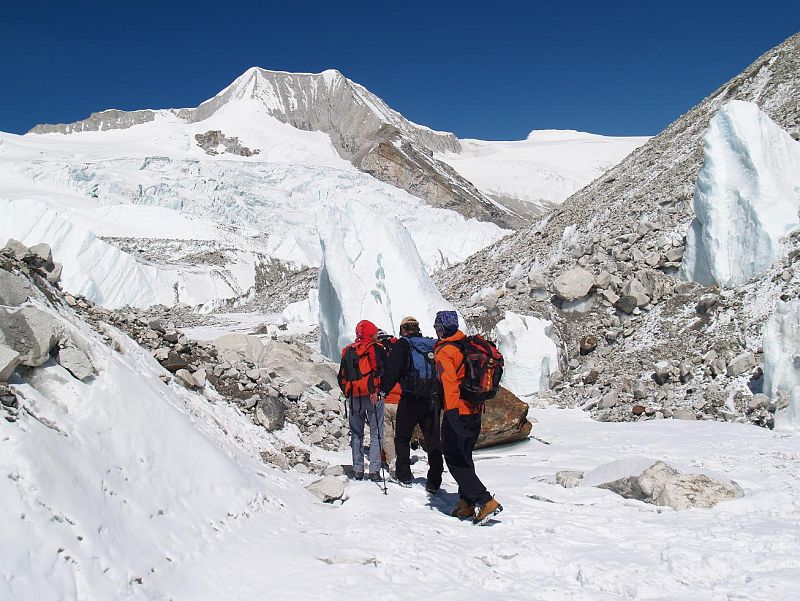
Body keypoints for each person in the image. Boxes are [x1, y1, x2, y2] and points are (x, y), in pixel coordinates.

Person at [433, 310, 502, 523]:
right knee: (465, 458)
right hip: (475, 411)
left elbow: (450, 384)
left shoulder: (445, 351)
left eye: (437, 327)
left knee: (454, 459)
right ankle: (466, 503)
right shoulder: (466, 345)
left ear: (441, 329)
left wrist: (451, 413)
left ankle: (485, 500)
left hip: (459, 411)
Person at [381, 316, 443, 492]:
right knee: (433, 440)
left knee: (402, 437)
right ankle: (434, 481)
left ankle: (404, 476)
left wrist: (383, 391)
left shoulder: (403, 344)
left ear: (403, 329)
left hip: (410, 398)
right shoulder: (431, 344)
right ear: (417, 328)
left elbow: (393, 370)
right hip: (431, 399)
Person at [337, 319, 386, 482]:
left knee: (357, 434)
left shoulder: (349, 351)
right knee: (376, 432)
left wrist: (348, 392)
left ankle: (358, 469)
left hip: (355, 397)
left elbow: (341, 375)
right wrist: (380, 391)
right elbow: (383, 371)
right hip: (373, 396)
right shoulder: (376, 348)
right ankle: (374, 470)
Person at [376, 329, 401, 474]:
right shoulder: (399, 351)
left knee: (387, 434)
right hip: (401, 399)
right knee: (400, 434)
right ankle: (402, 460)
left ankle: (391, 461)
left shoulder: (377, 352)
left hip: (384, 399)